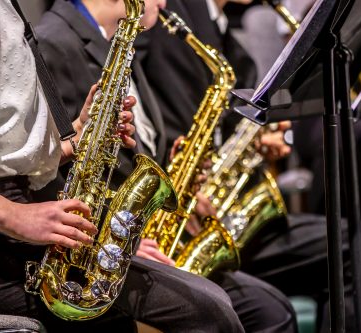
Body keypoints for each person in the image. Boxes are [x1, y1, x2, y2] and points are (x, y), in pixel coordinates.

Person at [0, 1, 245, 332]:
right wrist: (12, 216)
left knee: (209, 302)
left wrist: (78, 136)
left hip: (10, 222)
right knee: (204, 311)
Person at [34, 0, 298, 332]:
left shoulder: (118, 42)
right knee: (254, 311)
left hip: (142, 239)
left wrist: (176, 175)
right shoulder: (54, 42)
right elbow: (60, 178)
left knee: (268, 306)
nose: (164, 3)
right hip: (93, 257)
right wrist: (116, 236)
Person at [139, 0, 361, 332]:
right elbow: (151, 127)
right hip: (187, 222)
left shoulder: (227, 38)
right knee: (281, 304)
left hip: (227, 216)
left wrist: (260, 141)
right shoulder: (170, 21)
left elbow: (226, 127)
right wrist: (176, 190)